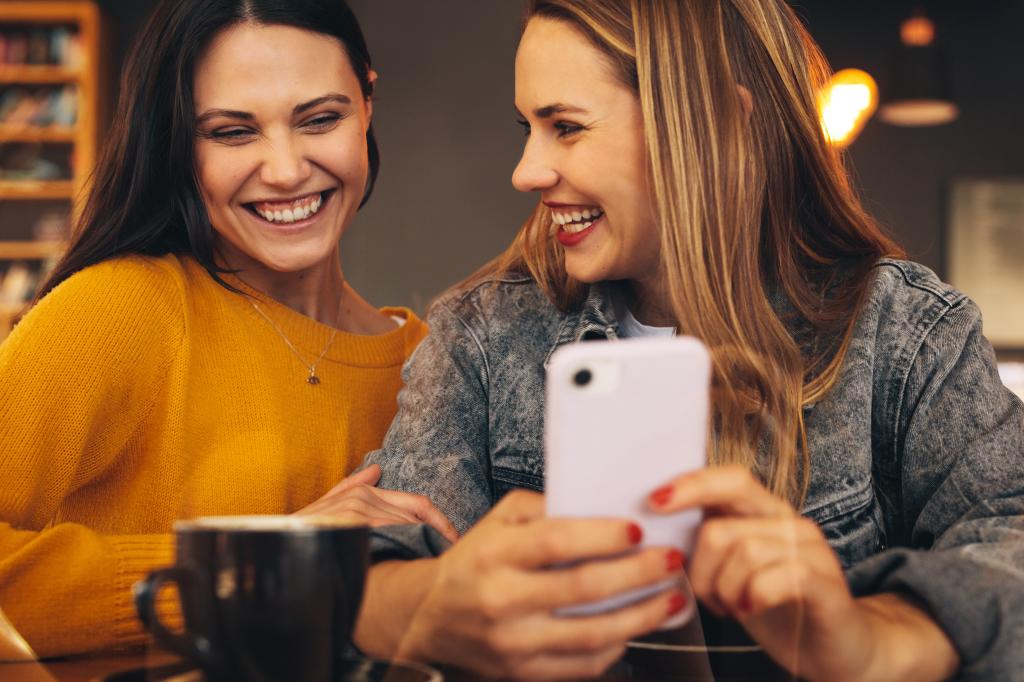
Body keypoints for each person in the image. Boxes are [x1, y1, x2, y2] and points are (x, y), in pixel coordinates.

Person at [355, 1, 1024, 680]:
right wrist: (427, 601)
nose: (526, 171)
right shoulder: (484, 334)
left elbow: (1008, 534)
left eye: (566, 127)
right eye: (528, 128)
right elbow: (381, 555)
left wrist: (873, 638)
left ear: (723, 126)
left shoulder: (907, 332)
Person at [0, 0, 456, 658]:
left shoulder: (430, 363)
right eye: (232, 132)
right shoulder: (121, 307)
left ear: (367, 104)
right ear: (180, 144)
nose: (286, 169)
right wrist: (257, 570)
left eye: (321, 118)